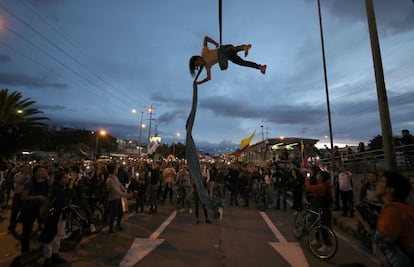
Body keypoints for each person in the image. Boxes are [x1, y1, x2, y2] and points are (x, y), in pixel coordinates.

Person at [354, 171, 414, 266]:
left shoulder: (392, 211)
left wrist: (363, 221)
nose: (377, 183)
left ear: (390, 190)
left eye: (382, 181)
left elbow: (382, 242)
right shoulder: (403, 207)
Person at [189, 36, 266, 85]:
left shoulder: (204, 53)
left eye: (198, 63)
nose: (200, 64)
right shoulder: (207, 66)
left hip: (224, 50)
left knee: (229, 50)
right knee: (242, 63)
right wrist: (199, 83)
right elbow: (209, 78)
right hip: (228, 57)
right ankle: (260, 67)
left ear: (199, 58)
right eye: (198, 65)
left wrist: (215, 43)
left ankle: (244, 47)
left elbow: (205, 38)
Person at [40, 169, 75, 267]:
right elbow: (67, 193)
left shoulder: (62, 186)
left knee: (59, 235)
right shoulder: (56, 188)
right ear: (59, 179)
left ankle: (55, 254)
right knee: (50, 236)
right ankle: (48, 258)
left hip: (61, 214)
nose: (67, 178)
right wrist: (72, 182)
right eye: (64, 177)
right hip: (54, 215)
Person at [20, 165, 50, 253]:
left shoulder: (47, 182)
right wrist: (38, 197)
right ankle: (25, 250)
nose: (43, 172)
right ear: (35, 173)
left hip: (42, 209)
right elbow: (24, 197)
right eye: (40, 171)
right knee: (27, 230)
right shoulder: (29, 183)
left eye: (44, 170)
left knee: (46, 228)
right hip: (30, 209)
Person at [106, 163, 128, 233]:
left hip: (118, 198)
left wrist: (124, 189)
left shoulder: (115, 177)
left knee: (120, 212)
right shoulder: (110, 179)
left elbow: (119, 185)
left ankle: (118, 224)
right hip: (113, 198)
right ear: (113, 170)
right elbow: (116, 190)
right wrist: (124, 194)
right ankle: (111, 228)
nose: (117, 169)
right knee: (113, 214)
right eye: (116, 168)